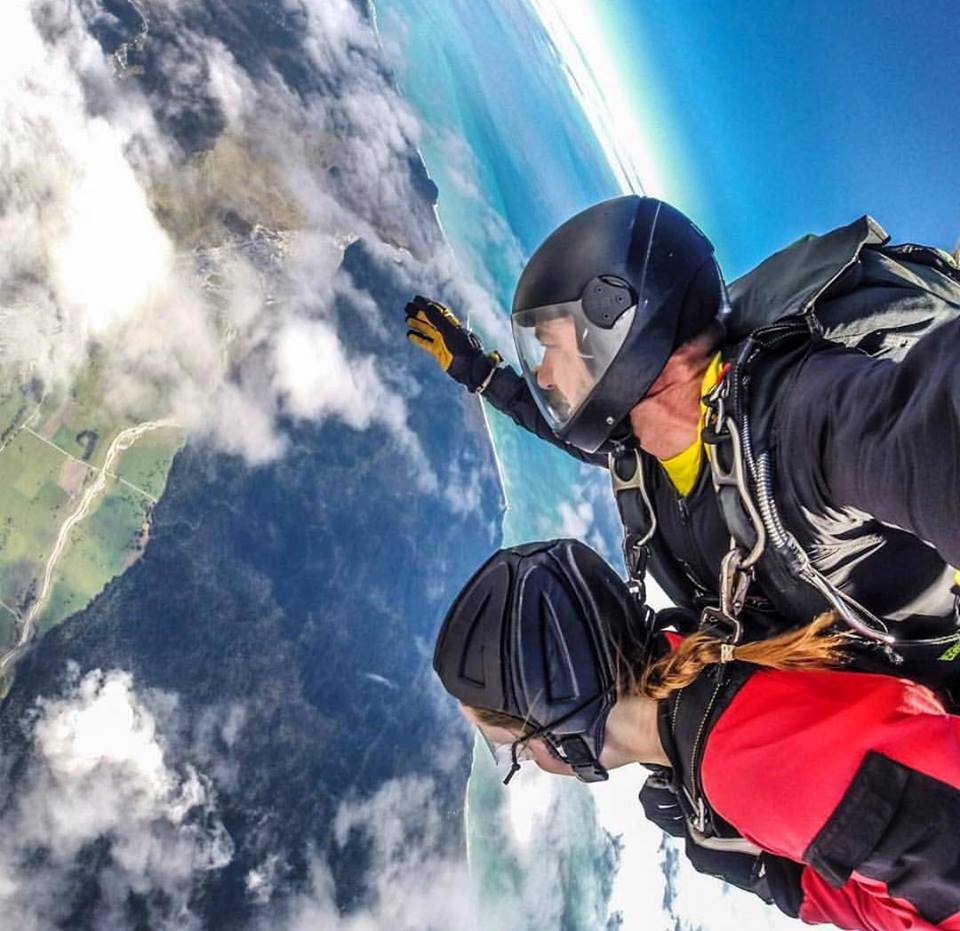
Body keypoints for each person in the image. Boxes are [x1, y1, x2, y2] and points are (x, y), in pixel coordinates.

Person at [406, 196, 960, 693]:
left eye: (551, 346)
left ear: (617, 327)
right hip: (821, 702)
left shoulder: (801, 422)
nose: (546, 375)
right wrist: (480, 372)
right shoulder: (645, 449)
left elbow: (926, 431)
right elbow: (574, 437)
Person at [434, 538, 960, 930]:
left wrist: (774, 877)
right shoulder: (711, 653)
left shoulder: (746, 763)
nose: (532, 763)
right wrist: (779, 876)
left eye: (519, 749)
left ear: (561, 725)